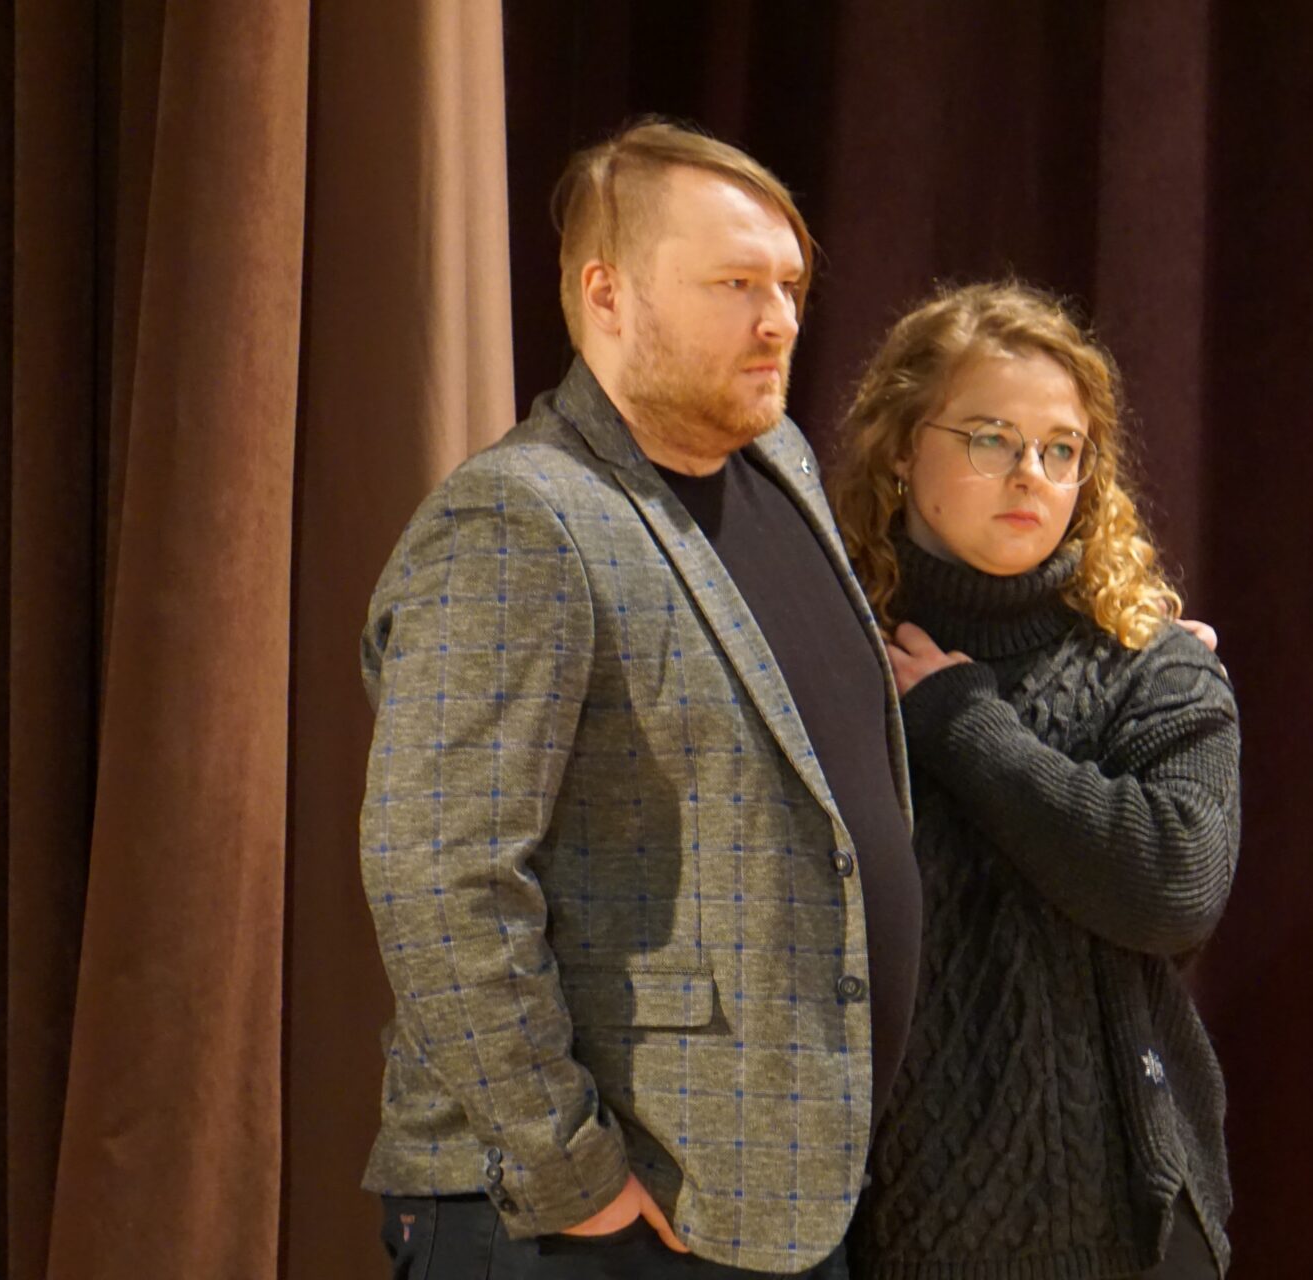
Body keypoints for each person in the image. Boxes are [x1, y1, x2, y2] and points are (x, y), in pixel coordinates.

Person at [356, 120, 919, 1277]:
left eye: (790, 285)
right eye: (735, 284)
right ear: (606, 293)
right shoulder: (518, 518)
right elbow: (439, 877)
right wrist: (574, 1173)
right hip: (584, 1222)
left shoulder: (783, 464)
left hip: (772, 1197)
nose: (780, 320)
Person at [827, 280, 1241, 1279]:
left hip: (1121, 1227)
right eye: (990, 438)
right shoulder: (829, 659)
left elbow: (1175, 882)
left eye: (1062, 448)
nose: (1031, 474)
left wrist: (966, 724)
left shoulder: (1150, 662)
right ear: (902, 447)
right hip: (886, 1226)